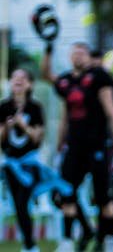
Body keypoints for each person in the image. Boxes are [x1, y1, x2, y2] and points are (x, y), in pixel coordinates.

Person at [41, 40, 113, 252]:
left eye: (82, 52)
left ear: (89, 56)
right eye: (75, 52)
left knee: (103, 197)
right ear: (70, 56)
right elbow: (46, 75)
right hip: (74, 147)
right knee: (66, 193)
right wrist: (48, 46)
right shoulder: (66, 81)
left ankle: (109, 239)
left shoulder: (99, 77)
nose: (78, 55)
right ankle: (68, 240)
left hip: (97, 145)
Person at [0, 69, 47, 252]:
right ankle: (29, 244)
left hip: (30, 163)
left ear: (29, 84)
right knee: (17, 205)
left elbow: (37, 138)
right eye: (14, 78)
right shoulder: (4, 107)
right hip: (11, 163)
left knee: (22, 202)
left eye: (22, 78)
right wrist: (6, 127)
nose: (18, 81)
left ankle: (29, 245)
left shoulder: (35, 108)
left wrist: (23, 125)